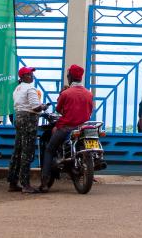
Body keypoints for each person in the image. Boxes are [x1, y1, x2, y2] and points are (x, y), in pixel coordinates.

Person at [40, 64, 94, 192]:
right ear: (81, 77)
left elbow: (59, 109)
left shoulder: (66, 93)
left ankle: (44, 183)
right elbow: (90, 110)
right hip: (82, 128)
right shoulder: (89, 94)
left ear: (70, 77)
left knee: (49, 150)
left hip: (66, 127)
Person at [8, 66, 47, 194]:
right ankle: (25, 184)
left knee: (18, 150)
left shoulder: (17, 89)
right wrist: (43, 106)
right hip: (29, 120)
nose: (32, 76)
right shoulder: (30, 88)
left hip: (19, 118)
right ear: (23, 77)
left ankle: (12, 182)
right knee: (27, 151)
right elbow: (35, 107)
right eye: (29, 74)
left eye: (32, 74)